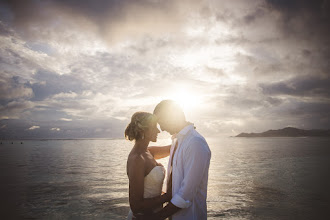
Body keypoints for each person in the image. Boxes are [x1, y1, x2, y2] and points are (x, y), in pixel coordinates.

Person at [139, 100, 211, 220]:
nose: (161, 128)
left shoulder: (195, 143)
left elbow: (185, 195)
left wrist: (155, 218)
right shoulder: (177, 141)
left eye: (161, 122)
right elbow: (150, 152)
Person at [125, 112, 172, 220]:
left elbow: (172, 148)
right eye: (154, 127)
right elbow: (136, 206)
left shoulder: (149, 152)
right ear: (143, 130)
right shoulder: (137, 159)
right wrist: (167, 196)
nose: (158, 131)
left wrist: (186, 131)